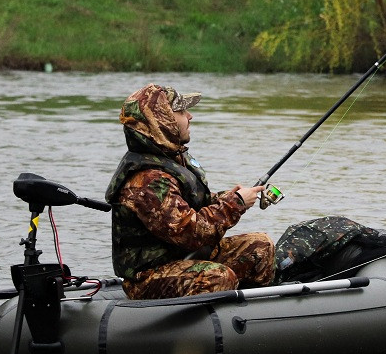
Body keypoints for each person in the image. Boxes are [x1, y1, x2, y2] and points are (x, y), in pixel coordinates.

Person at [104, 83, 275, 299]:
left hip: (185, 259)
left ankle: (258, 317)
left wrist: (226, 197)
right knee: (217, 277)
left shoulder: (170, 160)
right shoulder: (148, 179)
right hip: (148, 278)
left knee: (260, 246)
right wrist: (235, 204)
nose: (190, 116)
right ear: (162, 120)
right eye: (181, 111)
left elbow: (188, 205)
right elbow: (190, 233)